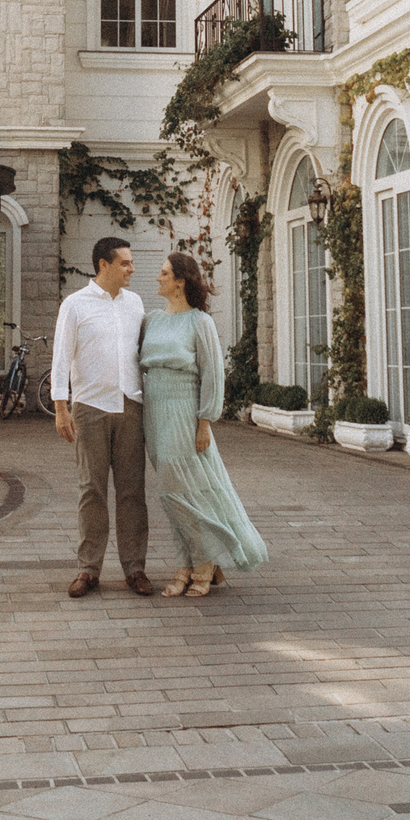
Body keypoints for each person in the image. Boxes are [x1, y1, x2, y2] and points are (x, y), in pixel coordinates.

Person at [141, 251, 267, 596]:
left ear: (180, 281)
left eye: (164, 273)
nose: (158, 278)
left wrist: (205, 422)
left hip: (184, 410)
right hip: (154, 411)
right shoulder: (151, 319)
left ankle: (203, 563)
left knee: (184, 491)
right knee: (172, 495)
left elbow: (213, 375)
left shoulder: (200, 322)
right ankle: (192, 560)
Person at [50, 235, 150, 596]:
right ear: (103, 265)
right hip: (90, 408)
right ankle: (88, 569)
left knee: (132, 492)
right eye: (125, 263)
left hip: (130, 406)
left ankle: (135, 568)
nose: (132, 269)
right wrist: (61, 408)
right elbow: (61, 357)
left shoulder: (135, 303)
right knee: (92, 490)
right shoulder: (75, 305)